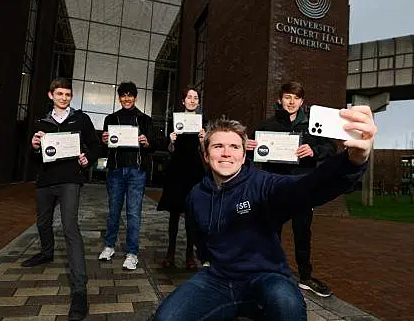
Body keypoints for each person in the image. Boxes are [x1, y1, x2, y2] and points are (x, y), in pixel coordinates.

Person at [154, 106, 377, 321]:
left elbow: (309, 187)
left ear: (243, 155)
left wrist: (353, 161)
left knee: (286, 303)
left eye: (234, 147)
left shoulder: (264, 185)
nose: (226, 153)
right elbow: (198, 238)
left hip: (265, 277)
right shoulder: (196, 195)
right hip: (217, 279)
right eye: (217, 146)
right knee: (167, 316)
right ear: (205, 155)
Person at [21, 77, 99, 321]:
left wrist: (88, 157)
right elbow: (34, 157)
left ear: (71, 97)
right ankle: (46, 252)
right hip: (45, 182)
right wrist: (34, 146)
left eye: (68, 94)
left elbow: (95, 146)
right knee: (42, 223)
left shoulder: (81, 119)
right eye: (60, 94)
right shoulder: (40, 121)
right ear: (51, 95)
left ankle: (79, 292)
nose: (64, 98)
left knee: (70, 228)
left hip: (70, 181)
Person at [254, 81, 337, 297]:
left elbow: (331, 147)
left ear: (302, 101)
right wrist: (249, 148)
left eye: (296, 98)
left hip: (302, 185)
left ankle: (306, 276)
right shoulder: (267, 126)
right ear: (279, 99)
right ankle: (272, 271)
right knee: (273, 231)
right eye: (288, 97)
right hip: (275, 186)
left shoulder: (311, 125)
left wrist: (314, 150)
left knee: (303, 232)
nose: (291, 102)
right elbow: (257, 152)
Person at [98, 81, 156, 270]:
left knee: (133, 213)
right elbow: (105, 146)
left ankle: (132, 253)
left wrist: (147, 142)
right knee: (113, 211)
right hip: (115, 170)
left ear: (135, 97)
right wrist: (104, 141)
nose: (127, 99)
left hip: (136, 171)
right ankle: (109, 246)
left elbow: (154, 144)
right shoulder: (111, 118)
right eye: (123, 95)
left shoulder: (145, 120)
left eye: (130, 95)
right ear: (119, 97)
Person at [157, 86, 206, 269]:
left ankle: (189, 255)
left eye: (195, 98)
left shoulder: (202, 122)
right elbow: (170, 149)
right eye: (189, 97)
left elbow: (204, 151)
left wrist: (202, 140)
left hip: (194, 169)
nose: (192, 100)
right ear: (183, 101)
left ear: (198, 102)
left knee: (191, 214)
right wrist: (171, 140)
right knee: (174, 213)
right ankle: (170, 252)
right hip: (177, 169)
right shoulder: (174, 121)